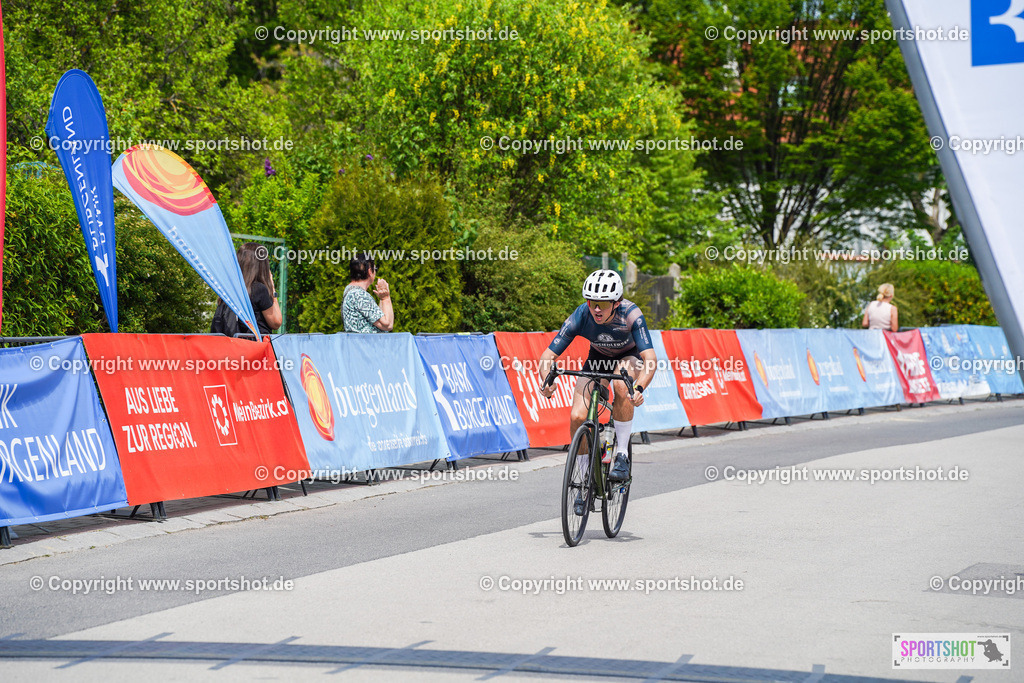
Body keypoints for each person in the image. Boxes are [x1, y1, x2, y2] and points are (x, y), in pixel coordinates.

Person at [538, 269, 657, 512]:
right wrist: (546, 381)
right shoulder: (582, 314)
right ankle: (584, 483)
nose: (597, 309)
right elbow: (547, 356)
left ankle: (621, 454)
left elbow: (650, 359)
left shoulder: (631, 314)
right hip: (597, 358)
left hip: (628, 357)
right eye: (592, 302)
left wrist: (640, 387)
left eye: (603, 303)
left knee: (621, 385)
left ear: (616, 302)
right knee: (577, 417)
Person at [211, 242, 282, 336]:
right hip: (255, 347)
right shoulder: (259, 289)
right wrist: (273, 291)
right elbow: (276, 322)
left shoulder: (229, 290)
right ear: (261, 265)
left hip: (231, 345)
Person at [343, 252, 394, 333]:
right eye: (375, 269)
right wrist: (386, 298)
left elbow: (381, 324)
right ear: (370, 272)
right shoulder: (359, 295)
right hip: (368, 344)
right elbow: (388, 324)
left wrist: (381, 298)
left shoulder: (350, 291)